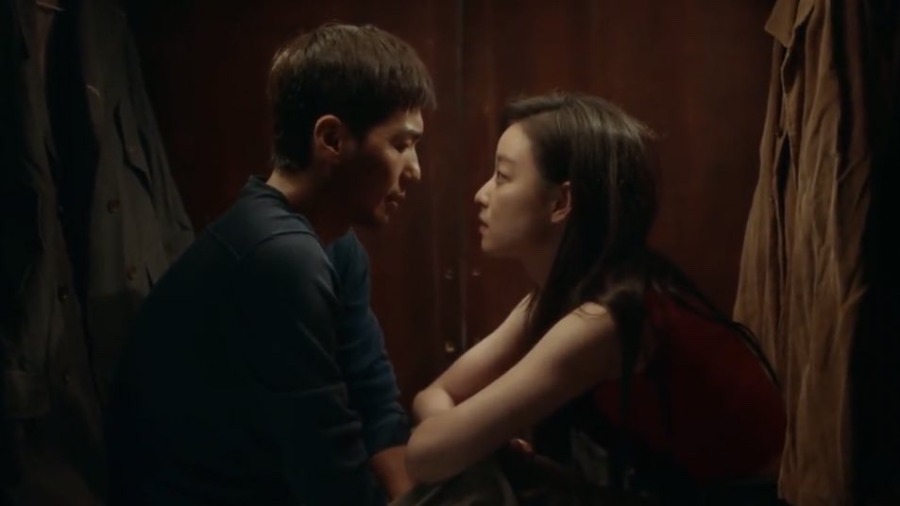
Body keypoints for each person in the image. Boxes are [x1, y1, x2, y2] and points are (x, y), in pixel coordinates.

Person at [106, 23, 435, 506]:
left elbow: (373, 399)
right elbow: (328, 469)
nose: (415, 169)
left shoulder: (336, 246)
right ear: (331, 139)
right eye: (401, 144)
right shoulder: (278, 256)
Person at [405, 93, 786, 504]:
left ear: (560, 203)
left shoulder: (604, 320)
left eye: (502, 176)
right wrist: (473, 442)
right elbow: (433, 397)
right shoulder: (563, 295)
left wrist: (466, 440)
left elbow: (425, 456)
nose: (481, 194)